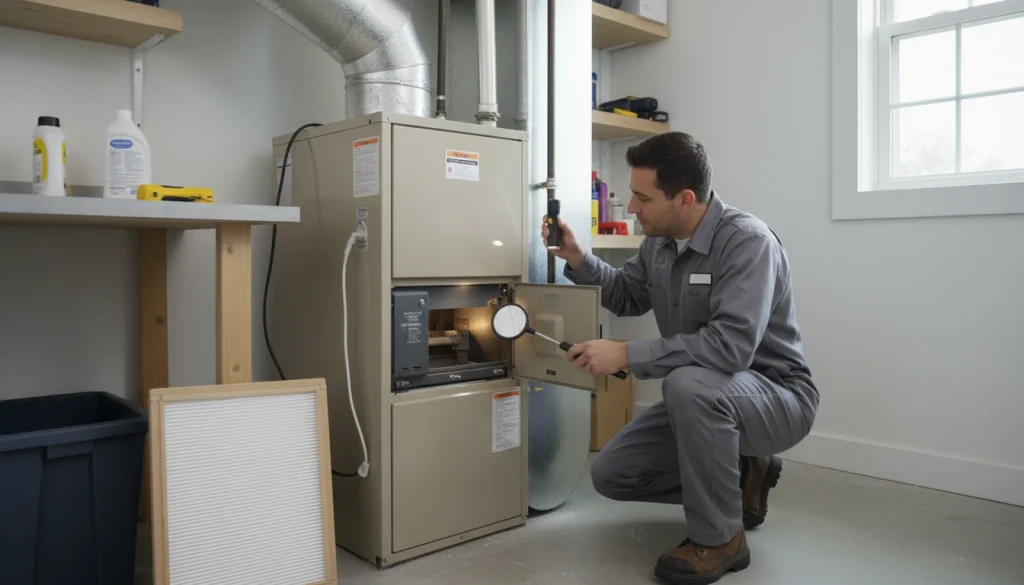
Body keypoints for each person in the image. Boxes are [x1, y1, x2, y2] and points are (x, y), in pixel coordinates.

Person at [542, 131, 819, 585]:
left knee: (687, 384)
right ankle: (741, 469)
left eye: (641, 197)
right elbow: (628, 295)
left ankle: (721, 538)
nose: (632, 208)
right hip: (709, 399)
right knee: (614, 474)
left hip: (777, 396)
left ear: (685, 199)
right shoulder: (659, 243)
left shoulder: (748, 243)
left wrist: (627, 354)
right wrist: (579, 258)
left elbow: (731, 347)